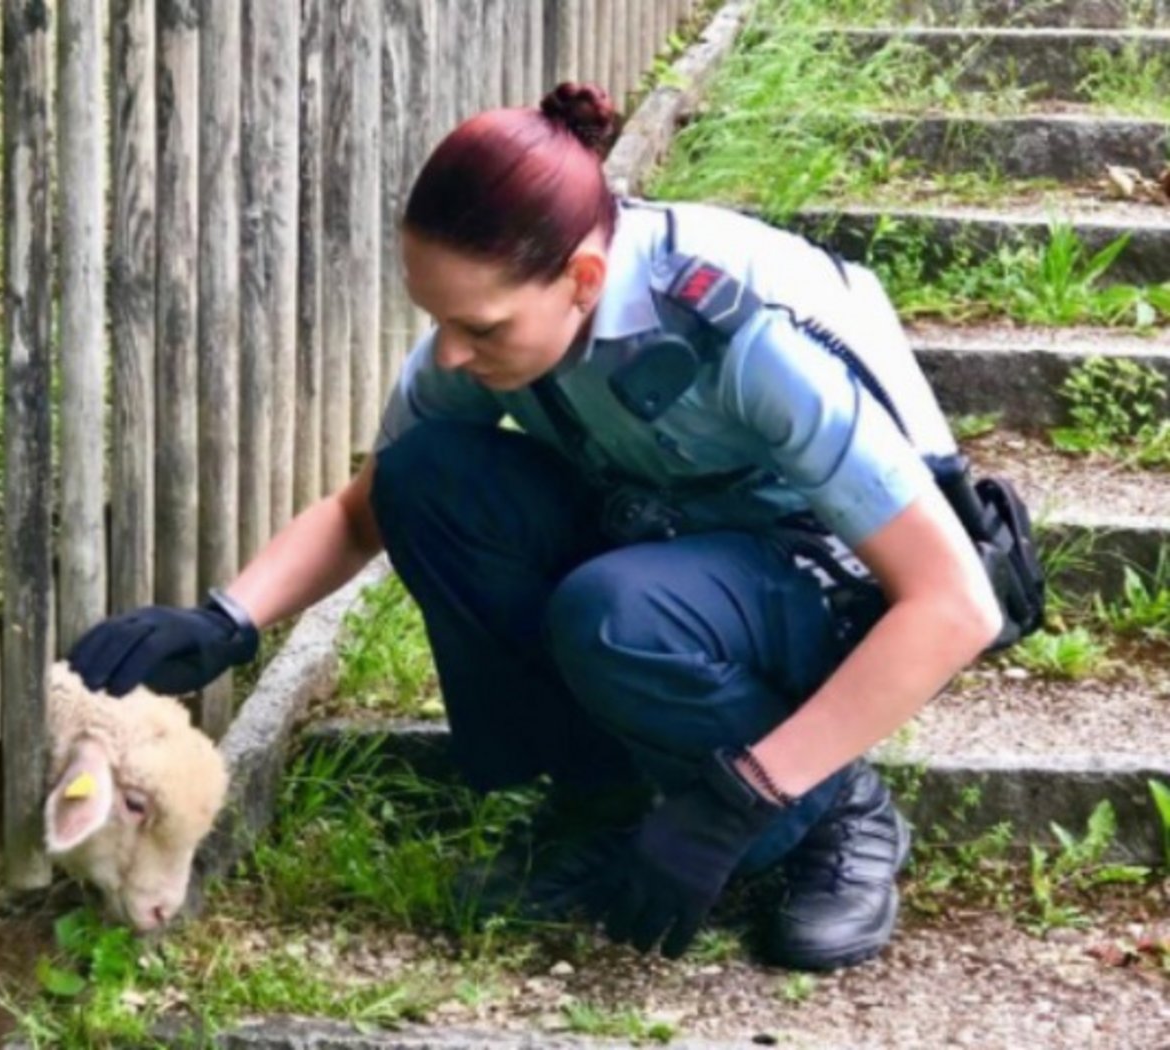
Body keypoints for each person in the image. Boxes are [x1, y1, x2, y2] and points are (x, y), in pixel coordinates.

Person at [68, 82, 1024, 971]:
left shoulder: (742, 336)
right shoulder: (504, 326)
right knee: (426, 477)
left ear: (584, 277)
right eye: (439, 320)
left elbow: (954, 606)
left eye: (480, 328)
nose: (450, 353)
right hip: (677, 545)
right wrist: (227, 620)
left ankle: (835, 811)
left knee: (617, 613)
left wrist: (747, 794)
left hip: (831, 591)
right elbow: (366, 508)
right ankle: (602, 798)